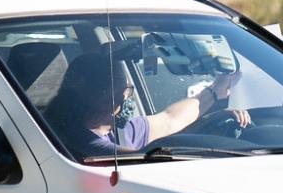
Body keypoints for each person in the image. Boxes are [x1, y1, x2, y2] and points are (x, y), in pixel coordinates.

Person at [45, 51, 242, 158]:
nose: (126, 97)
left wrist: (215, 91)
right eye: (124, 90)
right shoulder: (78, 142)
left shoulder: (117, 130)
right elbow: (143, 158)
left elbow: (170, 119)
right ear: (105, 98)